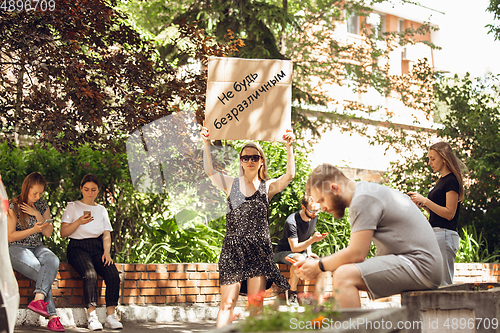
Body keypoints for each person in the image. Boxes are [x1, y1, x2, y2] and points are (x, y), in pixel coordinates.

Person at [294, 164, 443, 308]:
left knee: (344, 275)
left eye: (322, 200)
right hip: (421, 264)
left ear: (335, 188)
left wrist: (319, 266)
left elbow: (357, 254)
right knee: (343, 270)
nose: (323, 208)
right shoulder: (365, 192)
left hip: (421, 265)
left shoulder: (363, 199)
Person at [201, 125, 294, 328]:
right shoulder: (230, 184)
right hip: (233, 250)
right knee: (227, 303)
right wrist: (206, 142)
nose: (250, 161)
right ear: (241, 161)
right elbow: (209, 171)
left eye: (254, 157)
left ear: (261, 161)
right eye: (245, 157)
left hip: (258, 251)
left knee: (255, 306)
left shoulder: (266, 187)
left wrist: (289, 147)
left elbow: (289, 176)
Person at [60, 174, 122, 331]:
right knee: (91, 274)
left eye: (93, 190)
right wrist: (79, 221)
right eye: (86, 189)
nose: (90, 193)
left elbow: (106, 234)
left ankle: (110, 316)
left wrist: (107, 252)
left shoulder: (101, 210)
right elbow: (63, 232)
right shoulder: (72, 206)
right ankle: (92, 317)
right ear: (81, 189)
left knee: (113, 274)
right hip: (77, 247)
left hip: (97, 247)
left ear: (98, 190)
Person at [7, 172, 65, 332]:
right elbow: (10, 236)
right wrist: (33, 229)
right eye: (34, 193)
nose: (38, 196)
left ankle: (38, 298)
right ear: (26, 189)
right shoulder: (14, 206)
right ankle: (53, 317)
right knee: (42, 272)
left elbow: (48, 233)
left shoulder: (42, 206)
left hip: (37, 246)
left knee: (53, 260)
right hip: (16, 248)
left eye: (40, 193)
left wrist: (38, 215)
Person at [408, 141, 467, 285]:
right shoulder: (441, 181)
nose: (429, 163)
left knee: (444, 283)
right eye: (429, 158)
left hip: (445, 235)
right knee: (434, 281)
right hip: (436, 234)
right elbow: (438, 213)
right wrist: (424, 206)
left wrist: (426, 201)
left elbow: (449, 214)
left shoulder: (451, 181)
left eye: (432, 159)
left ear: (444, 159)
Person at [274, 195, 328, 306]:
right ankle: (291, 292)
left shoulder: (313, 217)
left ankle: (319, 302)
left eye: (317, 210)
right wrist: (313, 240)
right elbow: (294, 248)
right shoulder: (291, 222)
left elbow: (306, 236)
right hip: (283, 253)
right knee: (299, 258)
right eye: (312, 210)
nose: (315, 213)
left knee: (323, 266)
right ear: (303, 207)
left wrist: (309, 252)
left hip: (302, 253)